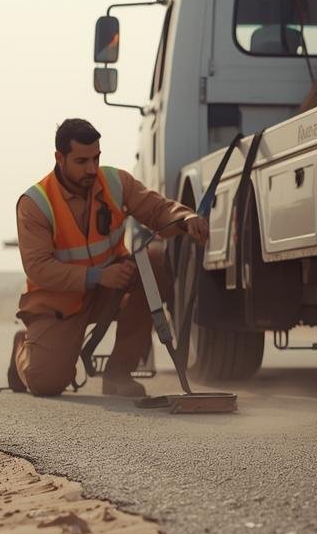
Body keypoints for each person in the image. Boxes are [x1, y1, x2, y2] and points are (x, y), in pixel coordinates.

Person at [11, 118, 207, 397]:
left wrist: (185, 218)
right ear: (60, 158)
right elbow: (38, 268)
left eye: (96, 158)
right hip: (58, 302)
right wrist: (97, 276)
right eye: (81, 161)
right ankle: (23, 348)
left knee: (153, 262)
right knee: (46, 383)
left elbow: (156, 209)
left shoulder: (115, 182)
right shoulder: (35, 203)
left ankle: (119, 374)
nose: (91, 168)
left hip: (111, 289)